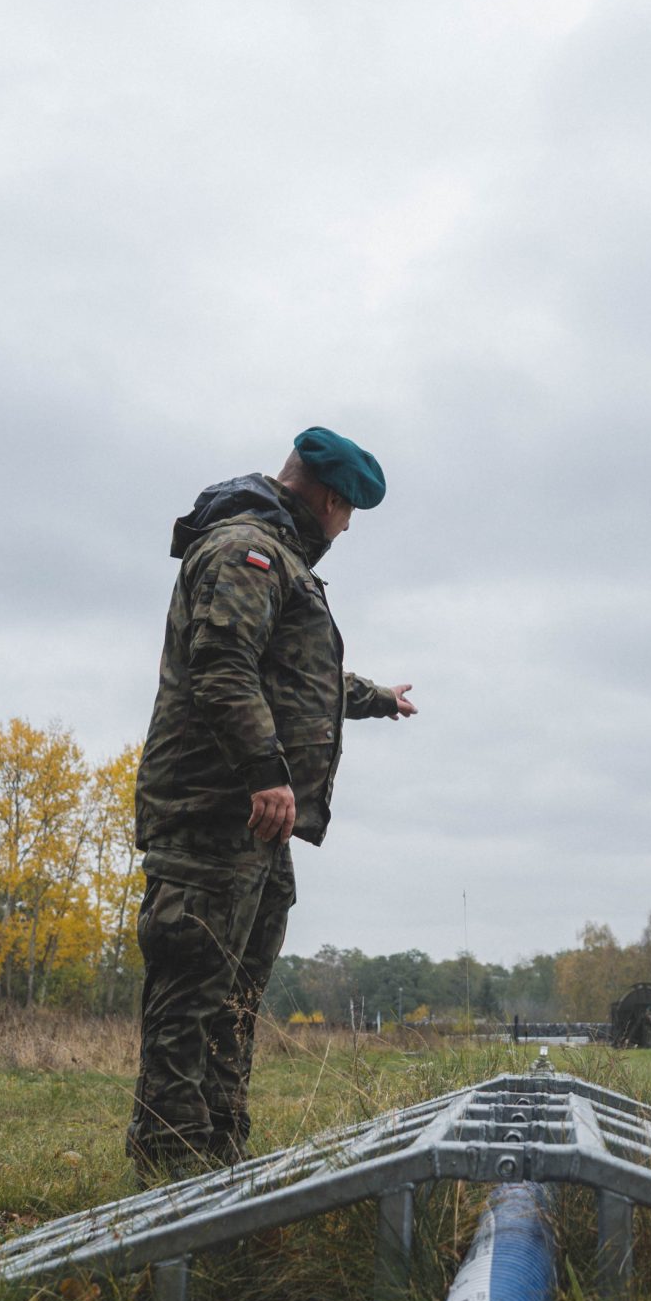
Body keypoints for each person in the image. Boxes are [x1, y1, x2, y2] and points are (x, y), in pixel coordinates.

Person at [127, 427, 417, 1179]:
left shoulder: (278, 559)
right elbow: (222, 664)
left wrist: (379, 698)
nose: (346, 529)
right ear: (329, 498)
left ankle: (221, 1169)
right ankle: (166, 1185)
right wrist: (265, 768)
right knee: (191, 998)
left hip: (254, 826)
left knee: (234, 1002)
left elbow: (297, 682)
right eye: (349, 513)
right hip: (214, 812)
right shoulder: (245, 551)